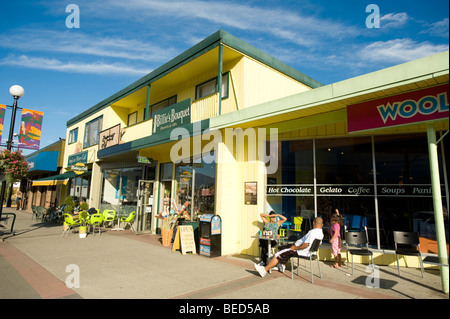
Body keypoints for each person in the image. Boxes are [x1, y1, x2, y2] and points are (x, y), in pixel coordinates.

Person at [254, 217, 324, 277]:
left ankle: (264, 270)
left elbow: (306, 245)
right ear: (322, 225)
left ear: (313, 223)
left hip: (301, 251)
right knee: (285, 248)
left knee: (278, 254)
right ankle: (282, 265)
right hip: (307, 251)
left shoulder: (313, 232)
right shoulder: (321, 233)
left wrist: (295, 248)